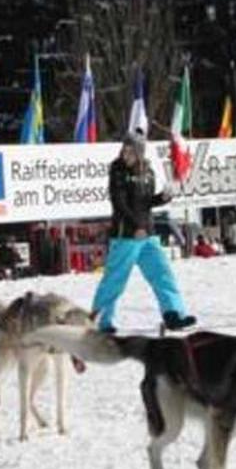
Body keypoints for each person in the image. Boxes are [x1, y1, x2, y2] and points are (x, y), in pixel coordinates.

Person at [90, 131, 196, 333]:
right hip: (125, 236)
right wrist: (136, 225)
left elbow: (146, 203)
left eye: (130, 150)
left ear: (139, 152)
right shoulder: (118, 170)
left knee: (163, 274)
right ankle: (100, 321)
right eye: (124, 148)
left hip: (148, 234)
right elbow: (119, 203)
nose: (125, 153)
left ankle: (173, 314)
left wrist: (164, 197)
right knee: (114, 281)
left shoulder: (148, 171)